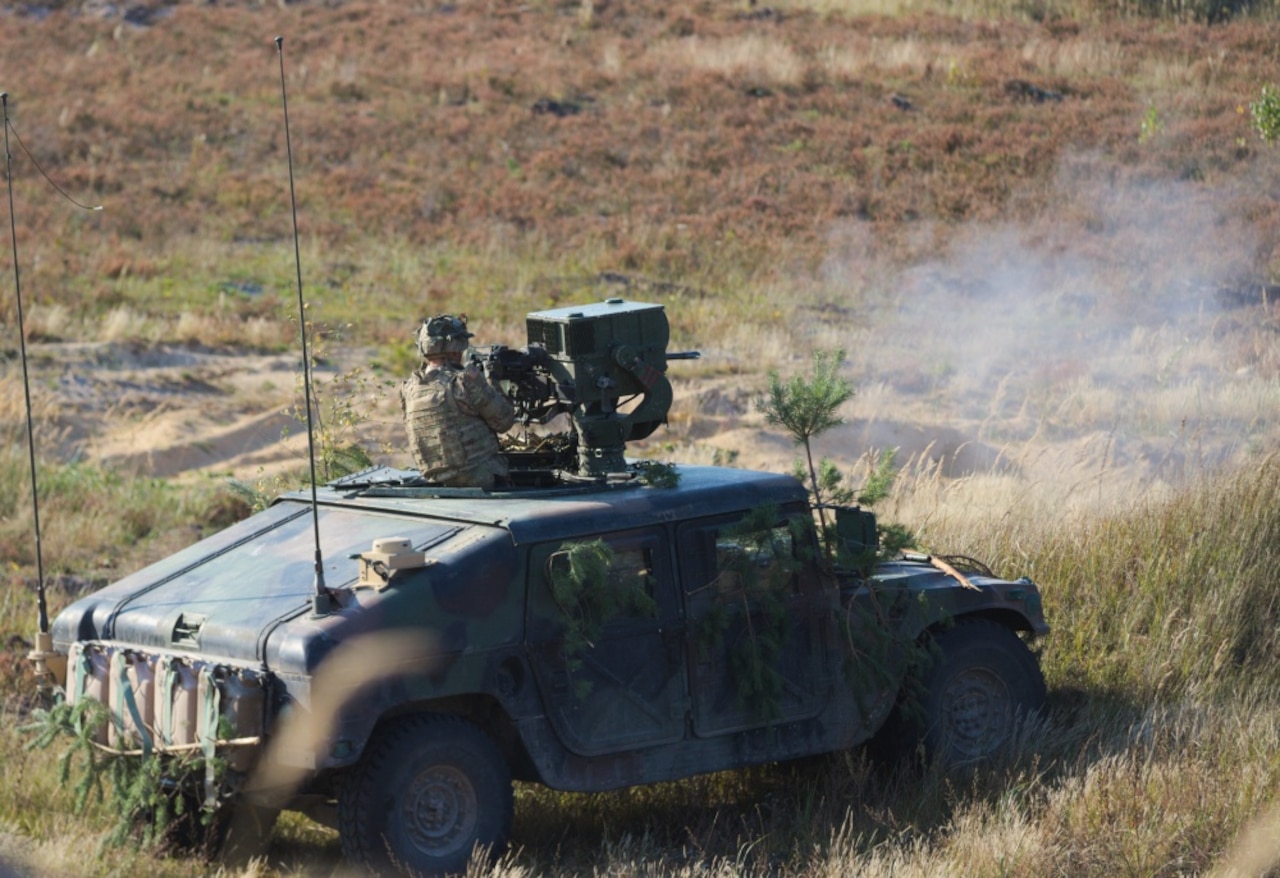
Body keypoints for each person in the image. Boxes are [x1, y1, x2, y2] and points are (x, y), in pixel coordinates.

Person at [400, 314, 515, 489]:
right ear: (455, 349)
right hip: (480, 477)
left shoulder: (409, 388)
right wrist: (492, 381)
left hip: (437, 480)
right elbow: (504, 421)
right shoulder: (464, 382)